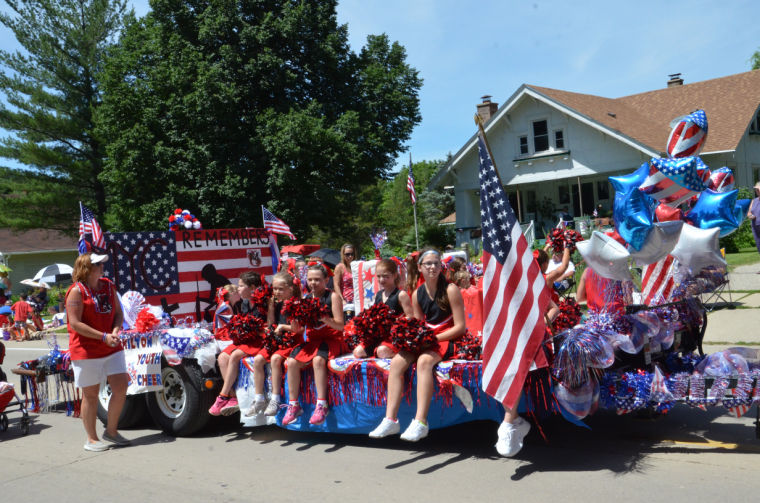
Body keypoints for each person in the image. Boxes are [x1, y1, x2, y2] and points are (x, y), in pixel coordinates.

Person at [369, 248, 465, 442]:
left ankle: (421, 421)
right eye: (428, 264)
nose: (432, 267)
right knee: (397, 362)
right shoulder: (416, 294)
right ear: (420, 267)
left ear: (441, 266)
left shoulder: (451, 289)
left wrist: (432, 339)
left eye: (436, 263)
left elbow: (461, 327)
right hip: (428, 338)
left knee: (423, 362)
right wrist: (415, 338)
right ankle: (390, 419)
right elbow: (418, 325)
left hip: (446, 338)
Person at [65, 252, 129, 451]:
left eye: (102, 264)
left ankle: (111, 431)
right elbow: (75, 323)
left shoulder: (108, 285)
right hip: (86, 350)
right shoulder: (76, 291)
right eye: (98, 264)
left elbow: (118, 313)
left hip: (111, 346)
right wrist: (103, 336)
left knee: (121, 387)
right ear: (87, 268)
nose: (102, 266)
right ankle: (91, 438)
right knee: (90, 394)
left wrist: (116, 330)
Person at [282, 263, 346, 426]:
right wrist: (296, 327)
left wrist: (325, 318)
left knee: (318, 360)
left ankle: (322, 404)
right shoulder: (305, 299)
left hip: (332, 340)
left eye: (317, 279)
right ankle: (294, 404)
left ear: (326, 280)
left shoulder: (333, 297)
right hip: (313, 341)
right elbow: (301, 328)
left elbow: (341, 325)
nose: (313, 283)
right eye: (310, 279)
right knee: (291, 361)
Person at [246, 271, 303, 416]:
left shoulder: (296, 303)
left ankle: (275, 398)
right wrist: (271, 308)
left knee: (275, 359)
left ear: (290, 288)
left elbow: (298, 329)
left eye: (280, 289)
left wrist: (283, 327)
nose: (276, 292)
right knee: (258, 359)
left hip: (292, 341)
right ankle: (259, 398)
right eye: (275, 289)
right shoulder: (277, 304)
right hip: (277, 340)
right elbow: (271, 324)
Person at [209, 272, 264, 416]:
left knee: (234, 356)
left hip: (258, 340)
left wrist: (251, 329)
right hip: (246, 339)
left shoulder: (263, 302)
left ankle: (222, 396)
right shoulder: (243, 303)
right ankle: (233, 396)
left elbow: (267, 327)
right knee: (222, 357)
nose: (238, 289)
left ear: (252, 287)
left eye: (240, 286)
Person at [353, 258, 413, 359]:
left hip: (393, 337)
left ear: (394, 275)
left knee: (382, 352)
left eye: (385, 276)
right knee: (358, 351)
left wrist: (394, 322)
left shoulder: (401, 294)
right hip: (379, 336)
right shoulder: (379, 295)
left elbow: (411, 317)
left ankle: (401, 352)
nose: (381, 280)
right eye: (379, 276)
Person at [333, 244, 356, 321]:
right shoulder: (340, 267)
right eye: (347, 254)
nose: (350, 256)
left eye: (352, 254)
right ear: (343, 255)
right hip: (346, 300)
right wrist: (341, 299)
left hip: (356, 299)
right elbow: (336, 284)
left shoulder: (356, 266)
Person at [748, 181, 760, 257]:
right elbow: (749, 212)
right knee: (759, 247)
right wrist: (750, 215)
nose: (757, 191)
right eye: (756, 190)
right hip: (755, 228)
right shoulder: (754, 201)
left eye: (758, 189)